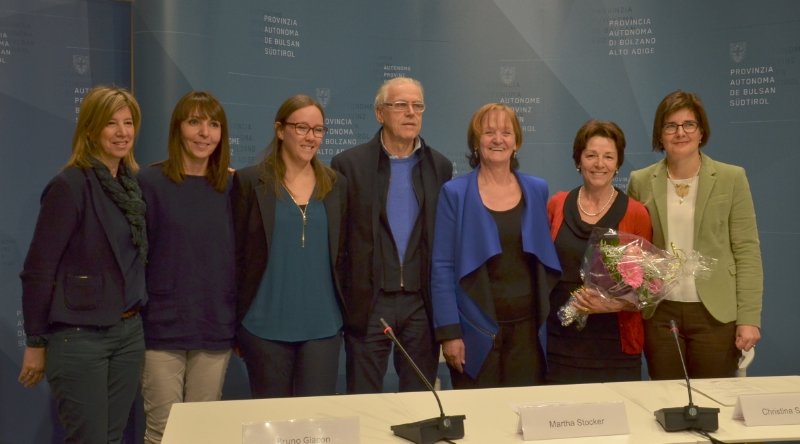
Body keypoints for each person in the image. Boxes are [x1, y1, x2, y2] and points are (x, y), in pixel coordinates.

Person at [18, 86, 147, 443]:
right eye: (111, 123)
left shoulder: (132, 187)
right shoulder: (70, 185)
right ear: (90, 130)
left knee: (111, 438)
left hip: (129, 333)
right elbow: (38, 271)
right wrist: (35, 342)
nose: (122, 132)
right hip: (80, 338)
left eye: (128, 123)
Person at [628, 90, 763, 379]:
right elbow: (632, 253)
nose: (680, 133)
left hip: (714, 314)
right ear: (660, 135)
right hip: (660, 314)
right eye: (671, 126)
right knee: (666, 399)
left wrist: (749, 318)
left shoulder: (731, 178)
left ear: (701, 132)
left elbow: (747, 252)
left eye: (689, 124)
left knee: (713, 401)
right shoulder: (640, 181)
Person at [331, 78, 452, 394]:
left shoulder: (440, 167)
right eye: (400, 105)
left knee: (420, 400)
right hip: (370, 304)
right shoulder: (348, 165)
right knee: (364, 399)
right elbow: (339, 245)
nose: (411, 112)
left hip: (421, 305)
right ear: (379, 113)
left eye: (417, 106)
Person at [431, 103, 561, 389]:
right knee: (479, 414)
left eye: (506, 132)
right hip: (474, 330)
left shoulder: (537, 189)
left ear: (517, 142)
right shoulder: (454, 193)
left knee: (523, 411)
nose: (498, 139)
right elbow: (442, 267)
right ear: (476, 142)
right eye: (489, 132)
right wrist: (450, 334)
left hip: (528, 331)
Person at [231, 94, 347, 398]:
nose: (311, 137)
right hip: (264, 327)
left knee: (317, 419)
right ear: (280, 130)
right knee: (273, 419)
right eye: (301, 127)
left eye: (318, 130)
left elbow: (346, 256)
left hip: (323, 327)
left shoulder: (336, 185)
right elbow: (236, 257)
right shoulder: (249, 182)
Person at [137, 91, 235, 443]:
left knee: (201, 433)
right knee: (163, 432)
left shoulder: (234, 187)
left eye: (213, 125)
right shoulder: (149, 183)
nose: (204, 133)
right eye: (195, 122)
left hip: (214, 326)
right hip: (162, 328)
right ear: (178, 127)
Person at [545, 120, 652, 384]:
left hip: (615, 344)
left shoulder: (636, 212)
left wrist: (613, 304)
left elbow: (648, 287)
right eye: (591, 155)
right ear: (579, 160)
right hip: (562, 340)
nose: (599, 164)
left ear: (618, 164)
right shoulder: (557, 204)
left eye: (608, 157)